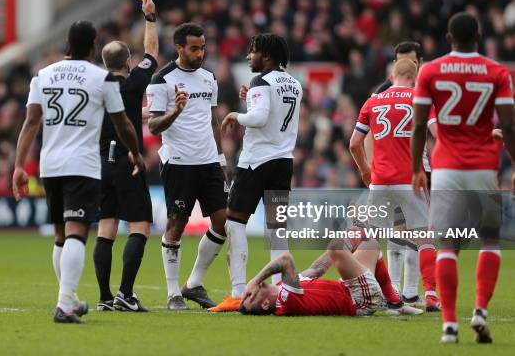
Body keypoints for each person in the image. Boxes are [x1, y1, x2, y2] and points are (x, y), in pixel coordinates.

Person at [13, 20, 144, 323]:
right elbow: (123, 122)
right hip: (82, 164)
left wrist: (19, 166)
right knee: (77, 233)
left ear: (67, 43)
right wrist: (135, 153)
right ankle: (64, 304)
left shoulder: (42, 75)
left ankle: (69, 298)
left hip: (50, 164)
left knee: (60, 236)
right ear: (93, 45)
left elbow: (31, 122)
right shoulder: (102, 78)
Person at [411, 12, 515, 344]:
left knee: (447, 246)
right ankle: (481, 309)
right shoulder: (497, 71)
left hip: (445, 167)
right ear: (480, 35)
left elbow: (418, 126)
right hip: (483, 165)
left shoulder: (430, 70)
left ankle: (450, 325)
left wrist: (416, 169)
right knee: (489, 240)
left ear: (448, 37)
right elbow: (510, 125)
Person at [214, 33, 302, 312]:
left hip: (256, 162)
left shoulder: (261, 81)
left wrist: (235, 115)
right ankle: (281, 291)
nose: (248, 57)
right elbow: (272, 112)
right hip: (283, 161)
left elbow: (260, 118)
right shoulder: (294, 83)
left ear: (266, 55)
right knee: (277, 230)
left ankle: (238, 292)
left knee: (235, 222)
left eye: (252, 52)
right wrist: (249, 99)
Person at [146, 22, 229, 310]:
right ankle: (173, 294)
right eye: (194, 48)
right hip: (179, 162)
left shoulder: (208, 77)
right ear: (179, 47)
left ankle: (193, 283)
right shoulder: (162, 79)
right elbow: (154, 124)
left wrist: (221, 157)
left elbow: (213, 119)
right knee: (176, 225)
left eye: (203, 47)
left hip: (208, 161)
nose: (200, 53)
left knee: (222, 221)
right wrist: (175, 111)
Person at [350, 58, 440, 313]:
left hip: (379, 182)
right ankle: (431, 294)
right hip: (409, 180)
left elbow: (354, 143)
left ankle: (361, 292)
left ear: (392, 75)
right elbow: (437, 134)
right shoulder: (420, 99)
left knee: (370, 237)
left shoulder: (373, 101)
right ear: (415, 77)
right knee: (424, 237)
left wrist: (365, 170)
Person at [93, 0, 158, 313]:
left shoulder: (97, 86)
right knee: (140, 225)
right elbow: (153, 53)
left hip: (100, 161)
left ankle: (105, 297)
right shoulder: (133, 83)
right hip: (127, 160)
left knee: (106, 229)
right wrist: (149, 17)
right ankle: (126, 294)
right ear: (127, 61)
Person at [369, 42, 429, 307]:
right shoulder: (394, 93)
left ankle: (413, 290)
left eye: (411, 59)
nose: (406, 63)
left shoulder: (423, 89)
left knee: (415, 232)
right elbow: (370, 132)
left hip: (419, 168)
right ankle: (401, 291)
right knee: (403, 230)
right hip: (401, 171)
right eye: (402, 59)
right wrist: (372, 164)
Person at [239, 239, 384, 317]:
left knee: (369, 243)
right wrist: (255, 280)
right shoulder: (285, 301)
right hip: (359, 299)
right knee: (336, 247)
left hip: (348, 287)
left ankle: (392, 299)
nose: (250, 290)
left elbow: (317, 269)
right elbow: (285, 259)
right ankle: (392, 296)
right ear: (265, 304)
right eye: (250, 296)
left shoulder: (283, 285)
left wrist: (348, 238)